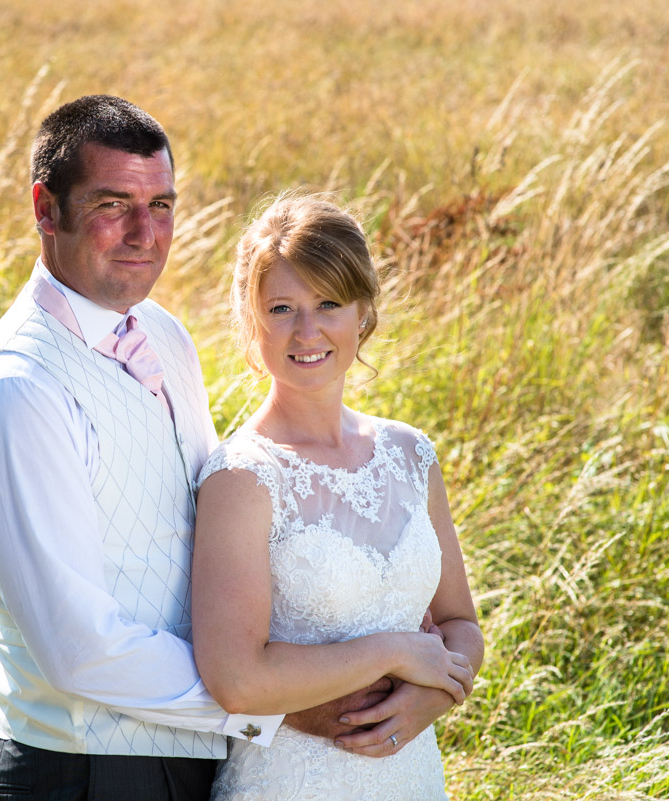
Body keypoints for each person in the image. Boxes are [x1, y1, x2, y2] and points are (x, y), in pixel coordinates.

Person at [0, 95, 288, 800]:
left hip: (207, 752)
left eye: (161, 205)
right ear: (45, 209)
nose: (144, 232)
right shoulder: (17, 391)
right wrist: (270, 700)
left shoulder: (163, 334)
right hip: (90, 772)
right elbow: (79, 648)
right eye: (113, 204)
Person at [192, 193, 484, 799]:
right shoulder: (241, 478)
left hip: (414, 778)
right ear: (252, 323)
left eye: (328, 303)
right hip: (290, 782)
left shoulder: (410, 454)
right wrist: (395, 651)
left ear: (363, 314)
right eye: (281, 308)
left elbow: (460, 624)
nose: (307, 330)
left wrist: (431, 697)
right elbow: (237, 683)